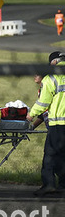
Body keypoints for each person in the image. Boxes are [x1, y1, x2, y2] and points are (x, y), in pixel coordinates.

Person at [28, 51, 65, 196]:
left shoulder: (51, 78)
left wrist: (30, 115)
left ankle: (49, 184)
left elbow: (43, 103)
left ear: (54, 62)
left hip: (59, 123)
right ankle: (63, 185)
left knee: (50, 154)